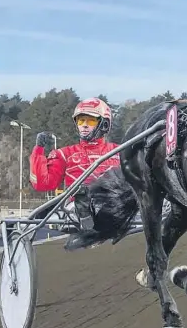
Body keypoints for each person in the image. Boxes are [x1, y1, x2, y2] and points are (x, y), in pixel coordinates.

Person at [29, 97, 121, 230]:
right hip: (77, 209)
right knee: (82, 194)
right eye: (81, 120)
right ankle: (85, 214)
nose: (84, 125)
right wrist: (38, 150)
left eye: (90, 120)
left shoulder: (120, 151)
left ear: (104, 124)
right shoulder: (64, 154)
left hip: (115, 205)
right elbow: (42, 184)